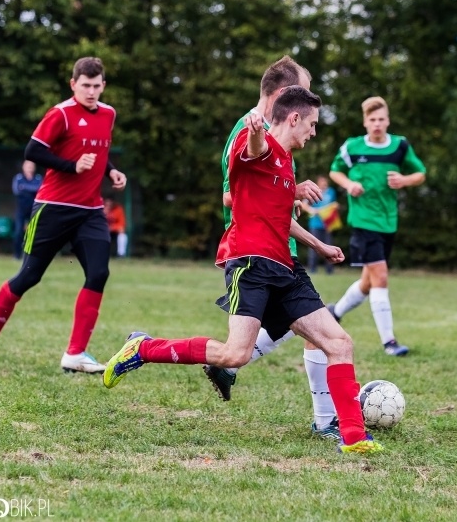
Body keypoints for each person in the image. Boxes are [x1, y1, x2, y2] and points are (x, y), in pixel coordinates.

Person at [103, 86, 383, 454]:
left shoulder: (285, 161)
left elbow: (279, 217)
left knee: (338, 341)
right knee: (235, 355)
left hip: (286, 267)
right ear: (294, 118)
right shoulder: (258, 145)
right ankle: (142, 348)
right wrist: (253, 131)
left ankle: (354, 437)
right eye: (312, 125)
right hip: (250, 264)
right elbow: (254, 151)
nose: (314, 133)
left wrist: (319, 245)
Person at [203, 56, 345, 441]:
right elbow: (232, 197)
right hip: (255, 250)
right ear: (286, 96)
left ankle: (326, 420)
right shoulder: (249, 132)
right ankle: (325, 421)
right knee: (312, 333)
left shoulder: (279, 134)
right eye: (305, 89)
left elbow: (269, 190)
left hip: (279, 247)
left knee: (319, 331)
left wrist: (290, 194)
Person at [0, 57, 127, 374]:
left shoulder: (109, 114)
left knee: (98, 274)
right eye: (85, 85)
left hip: (90, 210)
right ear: (73, 84)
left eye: (97, 86)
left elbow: (99, 150)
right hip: (53, 208)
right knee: (29, 276)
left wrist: (111, 170)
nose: (91, 92)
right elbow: (33, 151)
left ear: (104, 86)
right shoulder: (61, 114)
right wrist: (72, 167)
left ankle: (75, 354)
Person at [328, 96, 427, 356]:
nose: (377, 124)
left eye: (381, 119)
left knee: (368, 282)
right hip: (362, 221)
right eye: (372, 120)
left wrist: (404, 180)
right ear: (365, 122)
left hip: (388, 221)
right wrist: (349, 185)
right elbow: (334, 171)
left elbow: (420, 174)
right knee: (380, 277)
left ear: (388, 120)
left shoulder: (400, 146)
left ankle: (334, 312)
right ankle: (389, 342)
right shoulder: (352, 147)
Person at [300, 174, 340, 274]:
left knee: (329, 246)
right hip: (315, 224)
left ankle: (330, 270)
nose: (324, 184)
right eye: (322, 182)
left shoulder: (331, 192)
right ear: (318, 183)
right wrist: (313, 210)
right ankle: (313, 269)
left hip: (328, 224)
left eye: (325, 182)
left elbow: (334, 205)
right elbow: (304, 205)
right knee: (313, 247)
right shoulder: (314, 191)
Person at [11, 160, 43, 259]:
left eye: (31, 166)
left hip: (34, 210)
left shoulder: (38, 178)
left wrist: (24, 188)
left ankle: (30, 254)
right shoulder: (18, 178)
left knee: (33, 233)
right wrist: (32, 189)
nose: (29, 168)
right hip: (21, 210)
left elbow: (40, 190)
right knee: (18, 232)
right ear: (23, 167)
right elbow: (17, 190)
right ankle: (17, 255)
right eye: (27, 166)